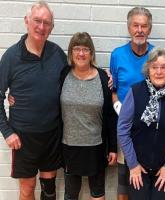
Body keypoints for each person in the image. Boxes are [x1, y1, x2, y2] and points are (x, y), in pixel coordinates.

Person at [0, 1, 67, 200]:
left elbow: (74, 81)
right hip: (23, 138)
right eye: (37, 21)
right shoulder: (11, 57)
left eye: (47, 23)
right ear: (26, 21)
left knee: (49, 189)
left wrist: (103, 77)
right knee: (27, 189)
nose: (41, 27)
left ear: (52, 28)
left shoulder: (57, 54)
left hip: (52, 135)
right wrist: (7, 132)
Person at [117, 47, 165, 200]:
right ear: (148, 69)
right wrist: (133, 165)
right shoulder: (135, 92)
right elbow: (123, 130)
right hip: (138, 168)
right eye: (154, 67)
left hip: (164, 170)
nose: (158, 71)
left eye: (163, 67)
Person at [60, 32, 117, 200]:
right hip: (69, 146)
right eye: (77, 49)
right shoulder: (63, 74)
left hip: (96, 146)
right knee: (70, 195)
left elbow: (110, 116)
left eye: (86, 49)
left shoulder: (103, 78)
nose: (81, 53)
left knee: (97, 194)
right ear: (71, 53)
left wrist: (112, 147)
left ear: (92, 53)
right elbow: (46, 94)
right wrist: (15, 98)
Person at [109, 6, 154, 200]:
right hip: (125, 126)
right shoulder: (117, 55)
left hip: (149, 129)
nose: (140, 30)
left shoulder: (156, 55)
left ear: (149, 29)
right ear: (129, 28)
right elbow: (113, 90)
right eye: (136, 25)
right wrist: (119, 107)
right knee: (124, 183)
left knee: (143, 180)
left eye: (144, 26)